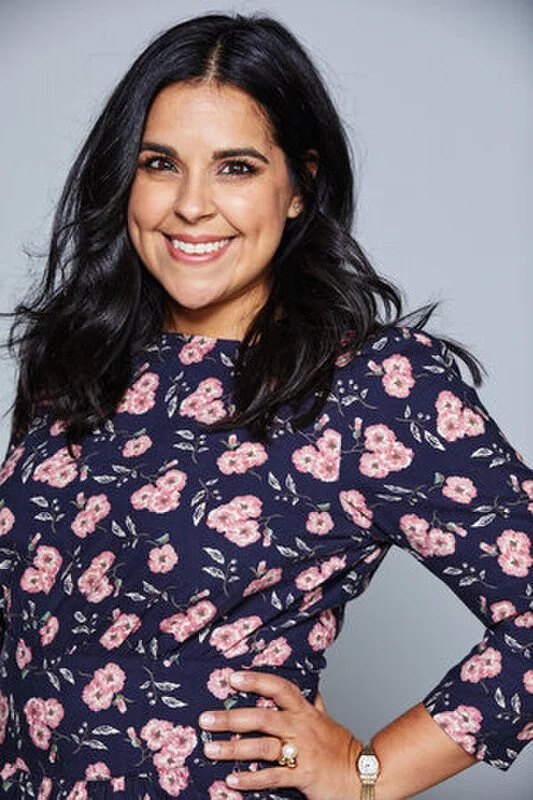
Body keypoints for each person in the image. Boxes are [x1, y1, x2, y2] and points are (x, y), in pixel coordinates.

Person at [0, 11, 531, 800]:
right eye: (160, 163)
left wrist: (367, 773)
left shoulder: (372, 388)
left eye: (236, 167)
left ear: (298, 187)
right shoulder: (78, 359)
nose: (190, 206)